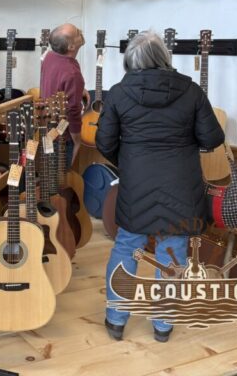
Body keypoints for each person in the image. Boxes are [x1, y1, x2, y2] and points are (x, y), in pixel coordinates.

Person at [95, 31, 224, 343]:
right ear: (164, 57)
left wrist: (129, 161)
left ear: (131, 62)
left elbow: (104, 143)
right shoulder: (191, 91)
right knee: (173, 251)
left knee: (127, 246)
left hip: (136, 182)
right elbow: (212, 139)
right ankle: (163, 325)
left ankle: (116, 319)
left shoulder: (119, 92)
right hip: (181, 184)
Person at [40, 23, 90, 167]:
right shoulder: (73, 74)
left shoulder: (49, 56)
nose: (81, 31)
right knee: (60, 182)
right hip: (62, 138)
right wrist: (77, 141)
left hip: (47, 127)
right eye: (77, 33)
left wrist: (79, 89)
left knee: (49, 173)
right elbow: (72, 111)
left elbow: (56, 79)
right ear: (71, 47)